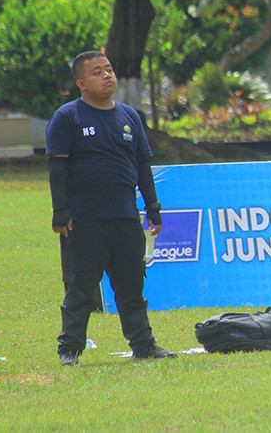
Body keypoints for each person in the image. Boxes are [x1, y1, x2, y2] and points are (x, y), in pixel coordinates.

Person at [46, 50, 176, 366]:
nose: (107, 75)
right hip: (84, 220)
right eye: (97, 72)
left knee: (132, 287)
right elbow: (57, 169)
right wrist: (60, 212)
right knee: (80, 289)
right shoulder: (67, 117)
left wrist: (152, 207)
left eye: (109, 69)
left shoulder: (130, 116)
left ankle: (144, 346)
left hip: (125, 217)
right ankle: (70, 350)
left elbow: (143, 166)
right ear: (81, 83)